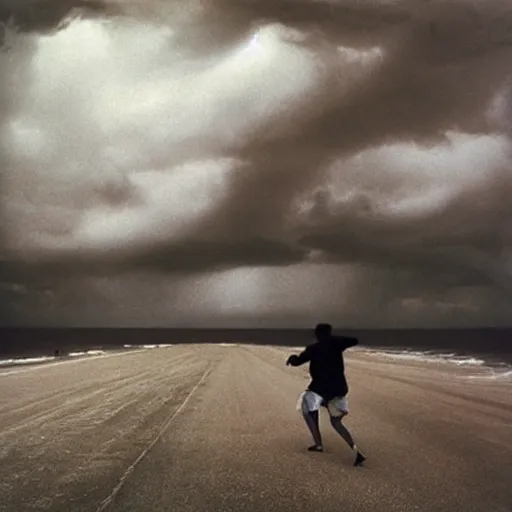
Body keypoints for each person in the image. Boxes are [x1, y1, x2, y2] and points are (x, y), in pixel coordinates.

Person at [286, 323, 366, 466]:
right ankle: (355, 450)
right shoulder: (337, 343)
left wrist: (292, 358)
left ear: (316, 334)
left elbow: (298, 361)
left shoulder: (313, 349)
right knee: (336, 421)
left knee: (308, 409)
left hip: (319, 389)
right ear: (329, 333)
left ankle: (318, 444)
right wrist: (333, 340)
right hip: (339, 388)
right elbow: (354, 340)